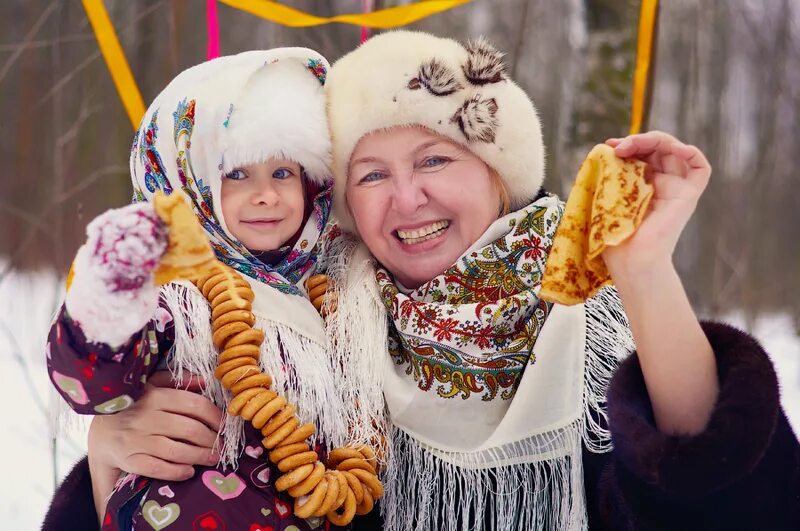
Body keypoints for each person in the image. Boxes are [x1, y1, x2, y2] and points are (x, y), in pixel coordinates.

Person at [318, 31, 800, 530]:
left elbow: (747, 509)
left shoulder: (600, 314)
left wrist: (643, 270)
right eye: (371, 176)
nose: (407, 198)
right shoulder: (324, 344)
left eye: (434, 160)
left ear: (497, 173)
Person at [43, 48, 383, 530]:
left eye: (282, 172)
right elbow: (97, 383)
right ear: (190, 180)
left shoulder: (332, 298)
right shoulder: (178, 294)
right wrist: (109, 300)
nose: (266, 194)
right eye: (237, 174)